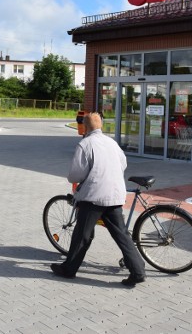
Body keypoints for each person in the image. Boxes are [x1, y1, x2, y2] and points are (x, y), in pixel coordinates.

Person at [50, 112, 146, 286]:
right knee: (122, 235)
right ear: (101, 125)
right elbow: (123, 163)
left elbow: (75, 175)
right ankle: (138, 271)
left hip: (94, 197)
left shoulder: (85, 144)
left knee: (82, 235)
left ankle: (68, 270)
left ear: (85, 127)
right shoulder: (112, 142)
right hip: (115, 195)